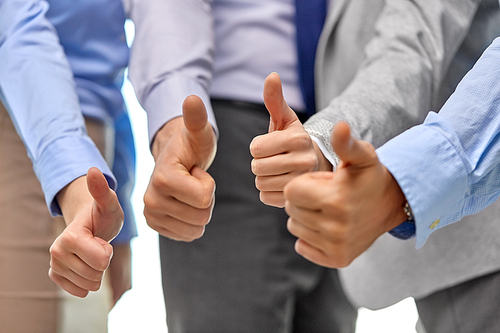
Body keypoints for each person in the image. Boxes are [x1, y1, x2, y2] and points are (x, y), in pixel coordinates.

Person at [126, 0, 498, 331]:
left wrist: (324, 142)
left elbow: (414, 34)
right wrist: (173, 120)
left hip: (350, 132)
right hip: (231, 132)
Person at [250, 0, 500, 331]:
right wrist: (320, 146)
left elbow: (411, 46)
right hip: (440, 241)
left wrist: (401, 184)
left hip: (477, 247)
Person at [0, 0, 136, 331]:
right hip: (27, 140)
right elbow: (14, 26)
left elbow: (107, 69)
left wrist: (120, 217)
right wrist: (74, 177)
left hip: (79, 144)